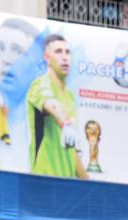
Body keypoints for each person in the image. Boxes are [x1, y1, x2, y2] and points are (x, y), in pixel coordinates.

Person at [25, 34, 86, 180]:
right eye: (58, 52)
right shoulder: (40, 84)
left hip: (68, 184)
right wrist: (65, 124)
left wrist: (89, 183)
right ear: (47, 57)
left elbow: (72, 150)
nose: (65, 57)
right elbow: (52, 105)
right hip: (43, 181)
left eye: (68, 52)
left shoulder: (70, 96)